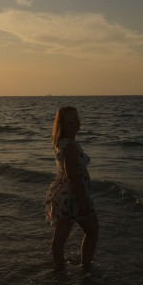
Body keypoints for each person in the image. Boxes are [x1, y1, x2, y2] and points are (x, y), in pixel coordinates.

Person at [45, 106, 98, 269]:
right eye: (71, 121)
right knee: (92, 230)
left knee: (61, 236)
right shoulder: (70, 147)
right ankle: (85, 268)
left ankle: (59, 269)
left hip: (63, 193)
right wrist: (83, 201)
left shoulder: (63, 142)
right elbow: (73, 176)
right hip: (72, 196)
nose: (76, 123)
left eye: (77, 119)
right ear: (63, 125)